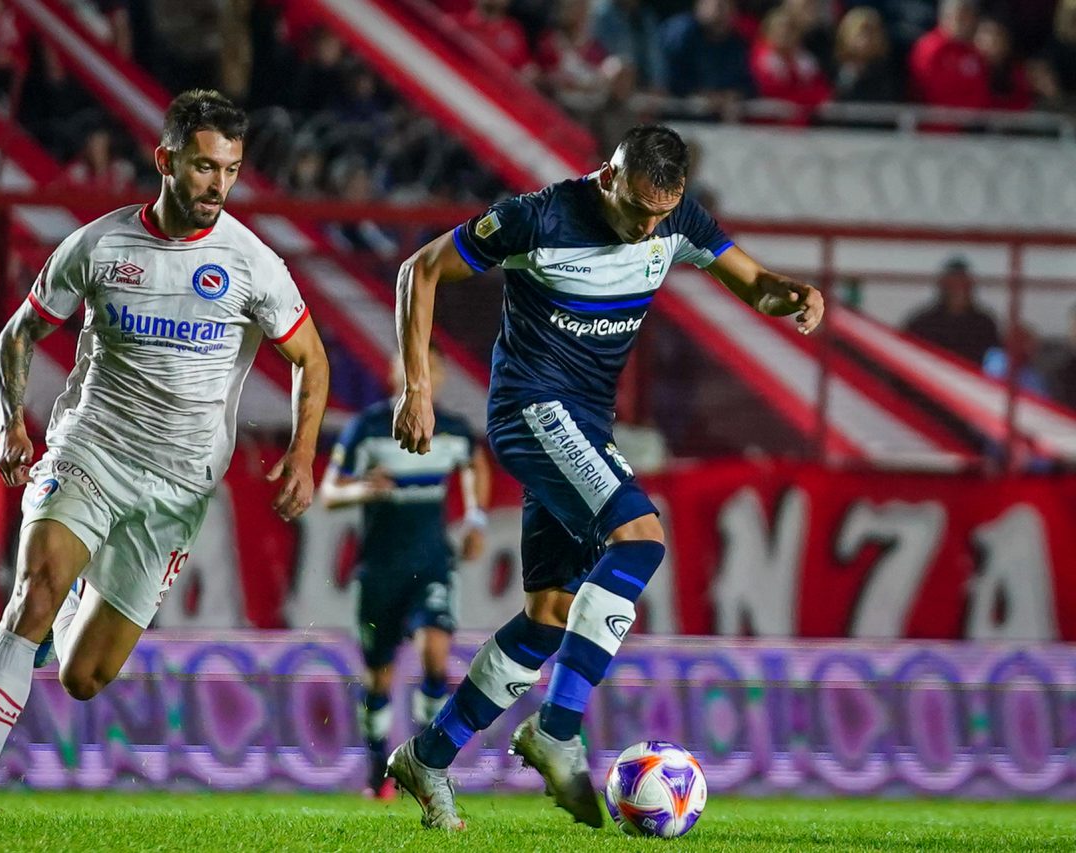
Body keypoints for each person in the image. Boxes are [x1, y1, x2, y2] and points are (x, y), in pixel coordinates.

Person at [386, 124, 823, 830]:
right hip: (531, 409)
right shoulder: (538, 218)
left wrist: (791, 293)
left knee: (550, 614)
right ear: (609, 176)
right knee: (640, 539)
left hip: (585, 426)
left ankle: (428, 756)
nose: (648, 227)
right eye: (639, 210)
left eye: (661, 214)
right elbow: (420, 269)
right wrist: (417, 387)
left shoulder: (675, 218)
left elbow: (755, 284)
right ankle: (557, 730)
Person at [0, 89, 330, 827]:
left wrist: (303, 455)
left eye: (231, 170)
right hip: (91, 449)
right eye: (205, 167)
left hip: (178, 487)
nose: (218, 185)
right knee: (34, 591)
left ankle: (72, 606)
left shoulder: (251, 262)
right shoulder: (100, 246)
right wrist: (11, 425)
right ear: (165, 160)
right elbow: (19, 333)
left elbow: (310, 356)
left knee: (84, 676)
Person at [320, 347, 491, 800]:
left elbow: (475, 463)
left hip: (432, 564)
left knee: (436, 654)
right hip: (379, 571)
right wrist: (363, 489)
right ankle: (378, 770)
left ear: (441, 376)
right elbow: (329, 493)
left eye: (430, 368)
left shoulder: (451, 429)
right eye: (412, 366)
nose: (421, 375)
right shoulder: (368, 427)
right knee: (378, 676)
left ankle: (426, 760)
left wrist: (475, 519)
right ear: (396, 373)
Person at [903, 256, 1000, 366]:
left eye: (963, 284)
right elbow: (908, 359)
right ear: (942, 286)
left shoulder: (984, 324)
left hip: (970, 376)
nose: (958, 290)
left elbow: (995, 362)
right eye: (952, 285)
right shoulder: (922, 324)